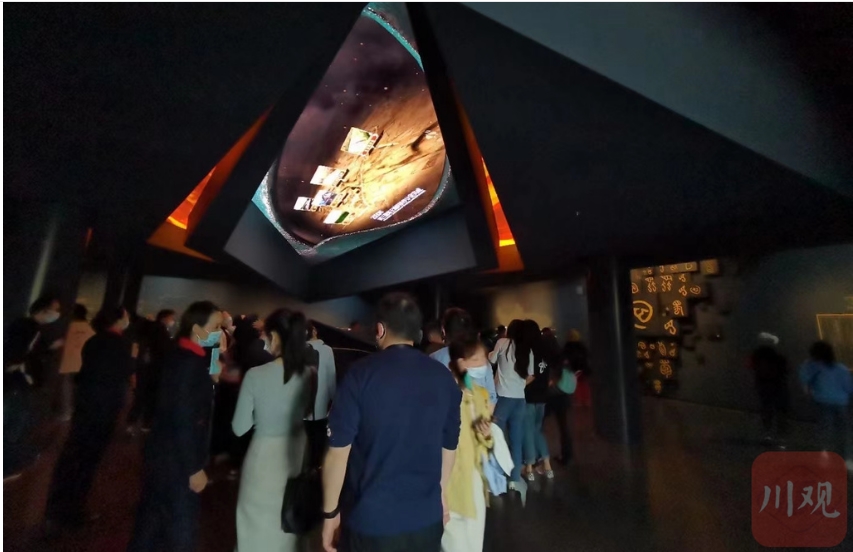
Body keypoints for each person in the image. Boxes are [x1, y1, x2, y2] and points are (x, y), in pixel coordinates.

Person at [322, 293, 461, 552]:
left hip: (370, 524)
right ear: (417, 333)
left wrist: (330, 513)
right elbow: (449, 446)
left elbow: (338, 453)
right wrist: (440, 496)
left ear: (380, 329)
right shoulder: (444, 377)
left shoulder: (359, 374)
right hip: (427, 520)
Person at [128, 301, 222, 552]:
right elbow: (183, 416)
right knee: (181, 529)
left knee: (151, 522)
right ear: (197, 328)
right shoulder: (189, 363)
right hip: (176, 459)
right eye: (215, 327)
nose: (218, 333)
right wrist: (194, 467)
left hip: (164, 453)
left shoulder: (183, 355)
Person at [231, 309, 318, 552]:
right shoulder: (310, 374)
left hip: (264, 458)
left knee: (256, 529)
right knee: (289, 524)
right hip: (297, 453)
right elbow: (307, 411)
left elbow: (239, 428)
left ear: (276, 337)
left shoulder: (256, 375)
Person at [45, 306, 134, 531]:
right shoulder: (119, 344)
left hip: (86, 405)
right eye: (125, 316)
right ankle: (71, 513)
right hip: (103, 409)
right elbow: (122, 374)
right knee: (87, 460)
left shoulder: (95, 340)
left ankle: (56, 509)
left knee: (73, 456)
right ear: (118, 320)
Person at [442, 332, 494, 552]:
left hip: (473, 480)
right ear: (461, 363)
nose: (484, 365)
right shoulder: (442, 394)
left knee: (474, 545)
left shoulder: (480, 394)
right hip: (448, 482)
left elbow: (486, 444)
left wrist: (487, 434)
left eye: (484, 359)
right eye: (477, 359)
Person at [4, 295, 63, 478]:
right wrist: (15, 365)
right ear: (43, 309)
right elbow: (21, 353)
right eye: (55, 309)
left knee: (13, 420)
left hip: (17, 381)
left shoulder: (25, 325)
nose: (57, 313)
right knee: (14, 423)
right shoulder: (30, 328)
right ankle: (6, 467)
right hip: (19, 382)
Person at [489, 319, 533, 495]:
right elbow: (530, 374)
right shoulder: (527, 349)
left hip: (503, 398)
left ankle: (498, 476)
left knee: (497, 438)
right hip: (520, 399)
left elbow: (491, 360)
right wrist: (519, 385)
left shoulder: (502, 343)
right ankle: (514, 479)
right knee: (516, 440)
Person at [799, 341, 852, 467]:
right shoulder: (841, 368)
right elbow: (849, 388)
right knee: (845, 430)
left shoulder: (810, 366)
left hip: (822, 402)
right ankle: (848, 459)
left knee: (826, 429)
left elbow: (804, 379)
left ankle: (825, 455)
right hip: (841, 403)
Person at [431, 308, 497, 408]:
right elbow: (491, 398)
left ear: (444, 331)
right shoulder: (482, 359)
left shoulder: (434, 358)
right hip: (477, 415)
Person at [127, 309, 175, 433]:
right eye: (171, 318)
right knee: (151, 398)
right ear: (164, 318)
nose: (172, 321)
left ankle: (131, 422)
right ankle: (146, 424)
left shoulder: (147, 329)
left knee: (139, 397)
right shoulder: (161, 331)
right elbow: (165, 349)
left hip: (143, 367)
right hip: (155, 368)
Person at [522, 320, 554, 481]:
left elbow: (531, 375)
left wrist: (516, 386)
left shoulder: (528, 350)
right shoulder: (545, 349)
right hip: (542, 396)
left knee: (528, 431)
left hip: (529, 396)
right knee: (537, 430)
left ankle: (529, 467)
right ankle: (547, 466)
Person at [56, 304, 96, 422]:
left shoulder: (67, 327)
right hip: (83, 364)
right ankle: (78, 412)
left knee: (66, 389)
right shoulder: (90, 330)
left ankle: (66, 412)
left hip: (67, 363)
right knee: (78, 390)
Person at [306, 319, 337, 469]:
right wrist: (335, 401)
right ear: (314, 331)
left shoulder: (297, 349)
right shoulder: (326, 350)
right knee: (317, 442)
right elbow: (331, 379)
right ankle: (315, 467)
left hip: (300, 407)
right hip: (319, 407)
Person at [749, 332, 788, 446]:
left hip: (763, 386)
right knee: (780, 412)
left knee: (766, 410)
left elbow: (751, 366)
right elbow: (786, 369)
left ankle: (767, 434)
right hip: (778, 386)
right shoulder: (779, 356)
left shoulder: (757, 355)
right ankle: (781, 437)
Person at [544, 334, 573, 465]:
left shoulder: (543, 358)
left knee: (537, 426)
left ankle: (538, 456)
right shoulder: (563, 358)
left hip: (548, 396)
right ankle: (567, 456)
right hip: (563, 396)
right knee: (564, 427)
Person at [563, 329, 590, 407]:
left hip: (572, 368)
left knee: (576, 384)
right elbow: (586, 355)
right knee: (583, 384)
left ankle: (579, 400)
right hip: (582, 367)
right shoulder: (581, 346)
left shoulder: (568, 346)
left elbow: (565, 357)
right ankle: (585, 399)